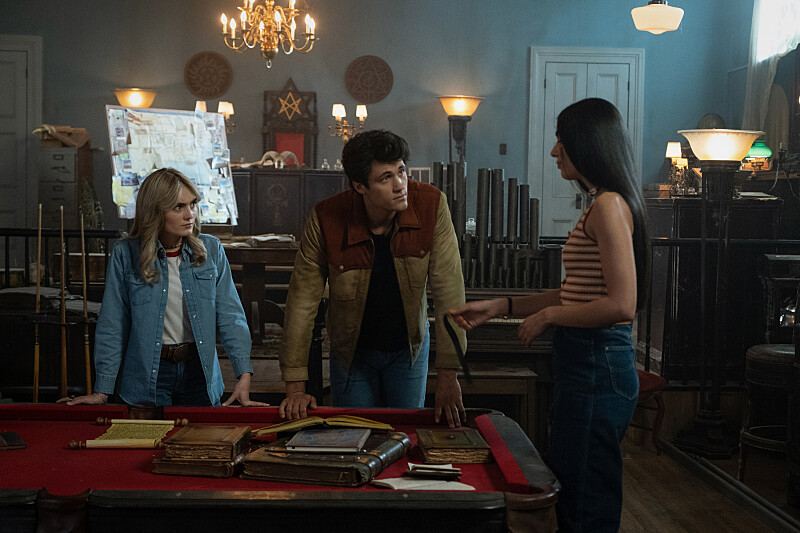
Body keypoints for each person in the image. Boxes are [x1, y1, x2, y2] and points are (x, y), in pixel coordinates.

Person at [449, 98, 650, 532]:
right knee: (574, 488)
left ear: (588, 143)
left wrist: (552, 317)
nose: (555, 150)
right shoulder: (600, 203)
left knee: (585, 501)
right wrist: (501, 306)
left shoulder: (609, 205)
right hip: (588, 359)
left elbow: (621, 304)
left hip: (598, 359)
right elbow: (575, 292)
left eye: (562, 140)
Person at [278, 130, 467, 427]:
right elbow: (301, 303)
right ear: (360, 186)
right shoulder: (327, 218)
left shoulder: (431, 205)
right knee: (353, 438)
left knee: (404, 436)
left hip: (407, 350)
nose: (400, 184)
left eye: (401, 171)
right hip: (351, 354)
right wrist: (295, 388)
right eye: (386, 178)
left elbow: (450, 293)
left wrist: (449, 374)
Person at [59, 168, 267, 407]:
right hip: (147, 375)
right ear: (155, 211)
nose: (190, 215)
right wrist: (102, 391)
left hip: (198, 373)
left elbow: (231, 316)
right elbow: (113, 324)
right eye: (178, 207)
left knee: (200, 433)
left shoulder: (211, 251)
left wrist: (243, 374)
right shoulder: (126, 254)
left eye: (193, 204)